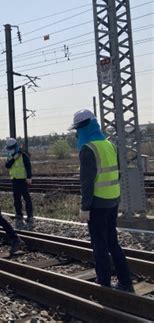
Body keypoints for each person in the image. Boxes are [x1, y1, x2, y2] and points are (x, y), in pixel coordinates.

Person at [69, 109, 134, 293]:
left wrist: (85, 207)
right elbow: (118, 172)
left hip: (97, 204)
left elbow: (87, 183)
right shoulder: (110, 145)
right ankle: (125, 281)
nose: (76, 134)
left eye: (77, 130)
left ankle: (103, 282)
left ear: (82, 128)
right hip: (113, 200)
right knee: (113, 242)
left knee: (99, 244)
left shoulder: (87, 149)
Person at [5, 138, 34, 229]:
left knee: (26, 198)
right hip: (14, 180)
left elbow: (28, 166)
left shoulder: (23, 155)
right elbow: (7, 165)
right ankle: (19, 215)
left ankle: (30, 216)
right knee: (16, 199)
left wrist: (29, 177)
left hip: (23, 180)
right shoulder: (10, 155)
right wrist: (14, 158)